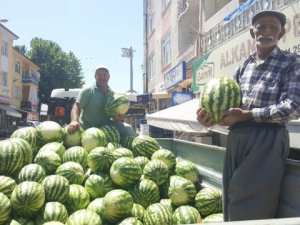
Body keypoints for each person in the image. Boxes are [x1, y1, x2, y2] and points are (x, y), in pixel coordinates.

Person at [196, 10, 300, 221]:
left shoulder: (291, 62)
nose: (266, 31)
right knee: (231, 195)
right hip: (237, 137)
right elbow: (230, 112)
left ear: (281, 34)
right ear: (252, 32)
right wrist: (210, 120)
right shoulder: (243, 66)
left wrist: (246, 115)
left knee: (253, 203)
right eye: (261, 26)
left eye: (273, 27)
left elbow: (293, 107)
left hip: (267, 138)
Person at [67, 65, 137, 138]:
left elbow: (114, 117)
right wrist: (74, 121)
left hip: (106, 129)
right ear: (95, 77)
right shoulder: (88, 91)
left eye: (104, 74)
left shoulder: (113, 94)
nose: (102, 77)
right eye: (99, 74)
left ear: (108, 77)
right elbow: (76, 107)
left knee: (128, 129)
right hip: (87, 128)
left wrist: (119, 118)